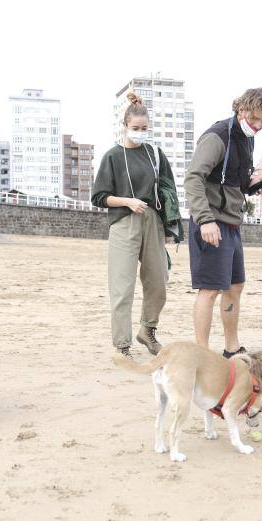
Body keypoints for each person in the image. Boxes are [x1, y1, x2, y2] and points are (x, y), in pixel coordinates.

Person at [184, 88, 262, 357]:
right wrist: (205, 220)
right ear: (242, 109)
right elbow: (193, 179)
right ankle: (201, 354)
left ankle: (231, 349)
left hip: (233, 224)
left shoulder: (247, 139)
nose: (258, 126)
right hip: (211, 222)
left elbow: (230, 181)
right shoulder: (217, 137)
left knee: (235, 287)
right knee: (209, 290)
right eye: (255, 119)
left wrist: (252, 184)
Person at [91, 92, 178, 357]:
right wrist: (128, 201)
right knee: (122, 286)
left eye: (144, 128)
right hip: (124, 222)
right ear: (125, 126)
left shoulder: (155, 154)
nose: (140, 132)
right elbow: (99, 197)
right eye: (135, 128)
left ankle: (148, 330)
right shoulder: (113, 157)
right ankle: (122, 345)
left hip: (153, 221)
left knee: (158, 280)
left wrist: (171, 228)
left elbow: (168, 190)